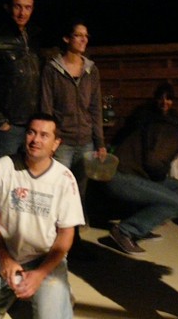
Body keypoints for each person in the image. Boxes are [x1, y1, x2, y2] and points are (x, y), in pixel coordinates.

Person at [0, 112, 84, 319]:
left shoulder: (64, 178)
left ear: (55, 144)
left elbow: (66, 233)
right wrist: (5, 258)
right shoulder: (3, 167)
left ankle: (59, 293)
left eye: (44, 135)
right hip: (6, 252)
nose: (36, 140)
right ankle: (6, 295)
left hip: (45, 257)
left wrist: (41, 273)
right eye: (31, 133)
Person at [40, 19, 105, 256]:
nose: (83, 39)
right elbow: (46, 107)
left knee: (78, 194)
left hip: (85, 140)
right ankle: (50, 244)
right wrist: (49, 141)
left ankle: (73, 242)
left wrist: (100, 142)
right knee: (57, 192)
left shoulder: (91, 70)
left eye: (86, 35)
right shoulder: (52, 70)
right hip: (63, 142)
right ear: (67, 38)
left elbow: (95, 107)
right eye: (78, 35)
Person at [103, 118, 178, 254]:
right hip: (122, 179)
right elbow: (154, 163)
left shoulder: (162, 128)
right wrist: (161, 177)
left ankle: (142, 225)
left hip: (124, 174)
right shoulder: (174, 136)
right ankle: (125, 230)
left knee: (175, 186)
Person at [0, 0, 42, 161]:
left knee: (29, 173)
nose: (23, 13)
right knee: (4, 172)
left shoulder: (35, 38)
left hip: (33, 124)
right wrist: (1, 121)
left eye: (28, 7)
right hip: (10, 127)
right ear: (8, 8)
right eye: (18, 7)